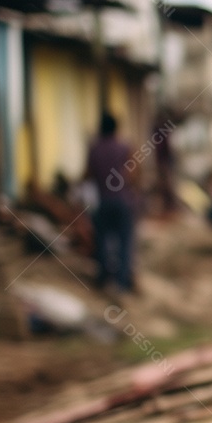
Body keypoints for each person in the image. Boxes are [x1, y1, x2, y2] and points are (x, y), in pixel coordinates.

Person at [85, 112, 138, 293]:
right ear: (116, 128)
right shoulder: (124, 147)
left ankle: (103, 277)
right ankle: (122, 282)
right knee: (125, 242)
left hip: (103, 202)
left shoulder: (94, 149)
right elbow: (134, 174)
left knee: (102, 241)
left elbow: (88, 174)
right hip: (122, 201)